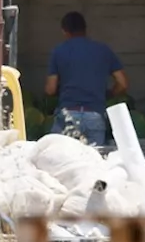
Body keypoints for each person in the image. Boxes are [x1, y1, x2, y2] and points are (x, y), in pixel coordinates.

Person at [44, 11, 128, 147]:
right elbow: (122, 83)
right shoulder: (103, 50)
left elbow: (50, 89)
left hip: (68, 115)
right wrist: (109, 94)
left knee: (63, 162)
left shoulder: (58, 51)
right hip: (95, 116)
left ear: (64, 31)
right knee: (92, 164)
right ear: (85, 29)